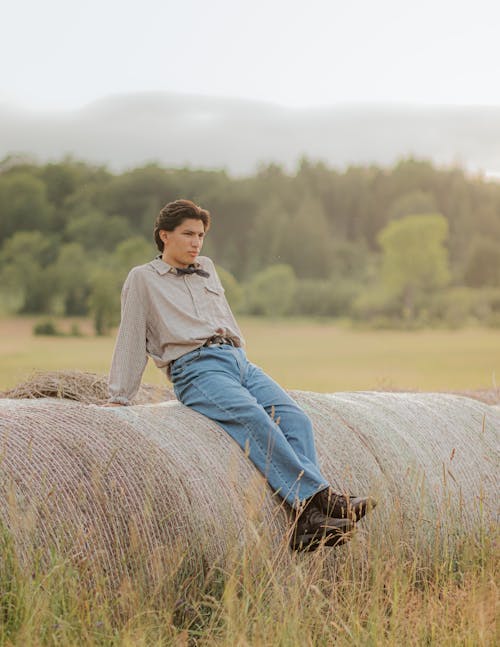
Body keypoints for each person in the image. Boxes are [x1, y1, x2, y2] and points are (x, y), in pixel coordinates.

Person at [106, 199, 376, 551]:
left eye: (200, 235)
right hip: (194, 368)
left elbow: (225, 317)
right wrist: (119, 398)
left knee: (296, 419)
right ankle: (321, 501)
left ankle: (307, 522)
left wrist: (239, 357)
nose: (196, 243)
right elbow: (130, 336)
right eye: (188, 234)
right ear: (164, 235)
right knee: (252, 419)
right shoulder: (142, 279)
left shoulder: (207, 268)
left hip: (238, 361)